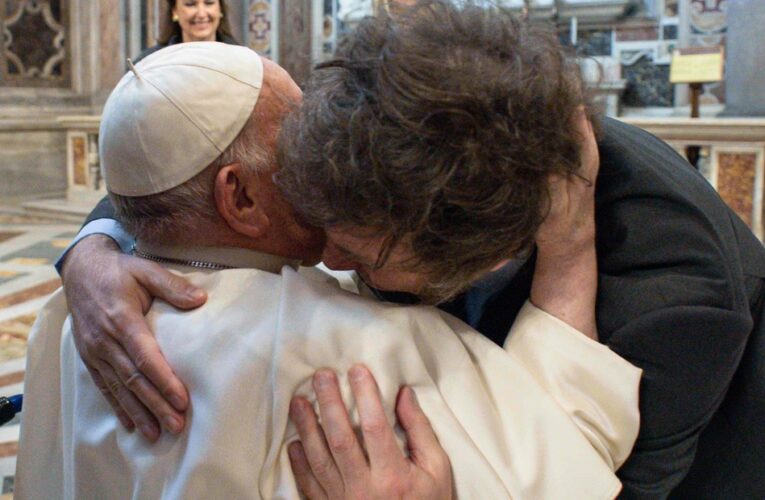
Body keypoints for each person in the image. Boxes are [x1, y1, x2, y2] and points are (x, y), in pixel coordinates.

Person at [56, 1, 765, 497]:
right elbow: (174, 156)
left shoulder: (673, 301)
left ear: (477, 252)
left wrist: (571, 252)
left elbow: (595, 480)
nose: (323, 258)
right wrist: (98, 248)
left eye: (358, 255)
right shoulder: (383, 122)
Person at [133, 0, 239, 64]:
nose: (201, 14)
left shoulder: (244, 61)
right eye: (190, 4)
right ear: (175, 11)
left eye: (209, 3)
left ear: (220, 9)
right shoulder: (147, 64)